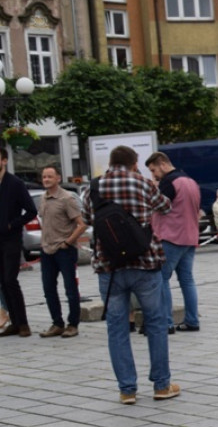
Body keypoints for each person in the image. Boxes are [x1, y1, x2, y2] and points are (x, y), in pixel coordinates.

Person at [82, 145, 178, 404]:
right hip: (144, 262)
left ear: (111, 163)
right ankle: (161, 385)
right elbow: (166, 207)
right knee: (156, 323)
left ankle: (127, 390)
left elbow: (87, 217)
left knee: (116, 328)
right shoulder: (143, 183)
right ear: (134, 163)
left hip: (109, 266)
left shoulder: (94, 187)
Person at [145, 151, 201, 334]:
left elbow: (158, 206)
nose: (153, 175)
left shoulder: (169, 182)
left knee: (161, 279)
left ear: (162, 164)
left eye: (153, 170)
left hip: (171, 237)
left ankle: (166, 322)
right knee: (187, 280)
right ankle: (192, 320)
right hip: (190, 237)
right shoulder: (191, 181)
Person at [37, 165, 86, 338]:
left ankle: (73, 324)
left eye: (50, 176)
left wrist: (68, 242)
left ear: (58, 178)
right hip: (47, 250)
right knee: (48, 288)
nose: (46, 179)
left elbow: (82, 225)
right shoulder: (43, 198)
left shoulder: (67, 198)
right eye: (44, 177)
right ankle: (57, 323)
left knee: (70, 289)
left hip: (64, 250)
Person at [0, 147, 38, 337]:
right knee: (2, 281)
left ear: (4, 161)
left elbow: (31, 211)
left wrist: (11, 225)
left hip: (11, 239)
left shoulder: (15, 183)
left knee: (10, 279)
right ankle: (14, 323)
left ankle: (23, 324)